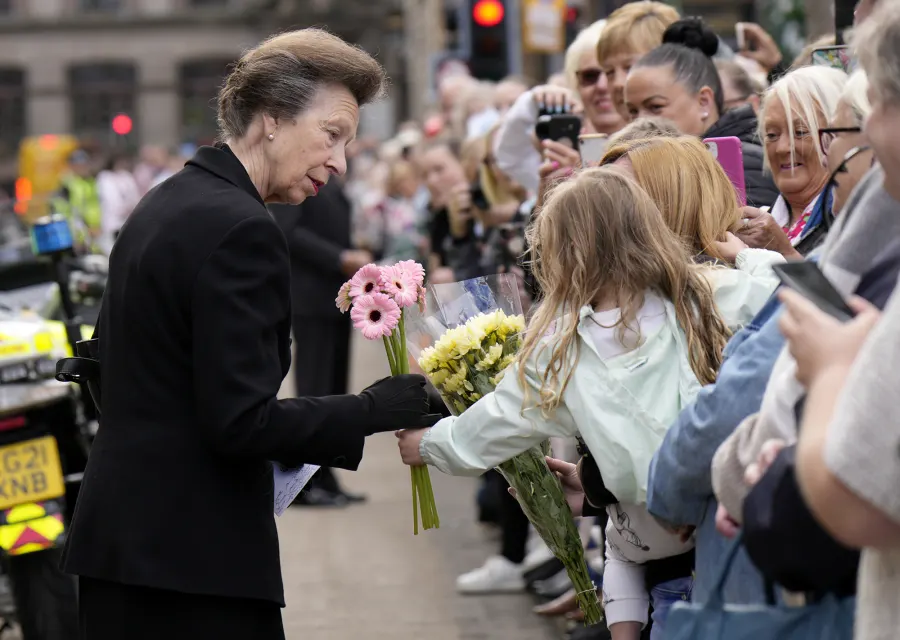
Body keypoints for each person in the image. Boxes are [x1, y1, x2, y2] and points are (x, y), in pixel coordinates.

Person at [61, 29, 438, 640]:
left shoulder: (165, 201)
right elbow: (240, 423)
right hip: (191, 565)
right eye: (332, 134)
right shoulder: (243, 229)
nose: (340, 162)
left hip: (125, 547)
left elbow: (114, 371)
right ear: (271, 120)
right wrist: (373, 408)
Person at [397, 167, 777, 639]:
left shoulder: (562, 351)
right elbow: (781, 291)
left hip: (656, 547)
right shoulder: (704, 294)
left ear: (562, 254)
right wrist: (750, 256)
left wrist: (431, 444)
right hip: (728, 535)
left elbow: (493, 424)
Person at [269, 176, 373, 508]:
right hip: (312, 299)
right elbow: (289, 232)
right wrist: (338, 256)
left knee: (334, 390)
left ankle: (327, 476)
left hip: (336, 298)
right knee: (315, 391)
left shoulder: (332, 182)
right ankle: (304, 483)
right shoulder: (297, 179)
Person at [622, 18, 779, 209]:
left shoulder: (748, 165)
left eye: (655, 107)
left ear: (704, 101)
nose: (640, 121)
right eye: (632, 111)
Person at [52, 149, 102, 253]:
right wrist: (76, 237)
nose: (83, 168)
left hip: (96, 236)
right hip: (80, 239)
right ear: (72, 166)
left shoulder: (91, 182)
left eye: (85, 164)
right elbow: (66, 214)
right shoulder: (67, 185)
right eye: (79, 165)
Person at [96, 153, 141, 255]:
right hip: (112, 224)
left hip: (128, 222)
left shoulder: (126, 176)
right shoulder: (105, 177)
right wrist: (125, 207)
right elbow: (112, 201)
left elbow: (135, 197)